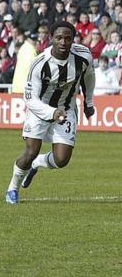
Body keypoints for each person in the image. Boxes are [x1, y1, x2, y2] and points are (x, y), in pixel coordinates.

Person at [5, 21, 95, 205]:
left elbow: (89, 78)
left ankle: (38, 163)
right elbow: (30, 98)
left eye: (67, 38)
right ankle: (12, 189)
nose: (63, 42)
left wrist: (89, 102)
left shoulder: (84, 56)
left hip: (67, 109)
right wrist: (52, 112)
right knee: (30, 152)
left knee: (62, 160)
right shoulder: (40, 63)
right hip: (40, 109)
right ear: (51, 39)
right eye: (59, 38)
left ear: (73, 40)